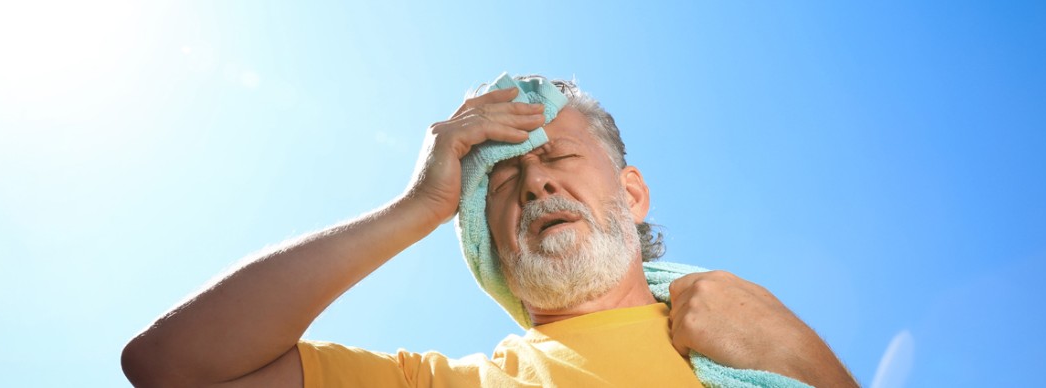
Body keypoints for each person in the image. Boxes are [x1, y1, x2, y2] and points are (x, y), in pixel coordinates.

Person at [121, 75, 859, 387]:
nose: (535, 181)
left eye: (558, 157)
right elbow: (171, 367)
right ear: (484, 242)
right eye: (502, 182)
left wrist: (812, 370)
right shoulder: (450, 382)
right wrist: (416, 206)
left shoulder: (740, 334)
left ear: (631, 192)